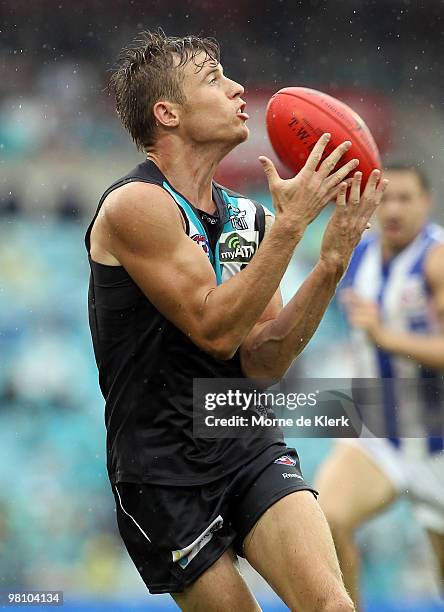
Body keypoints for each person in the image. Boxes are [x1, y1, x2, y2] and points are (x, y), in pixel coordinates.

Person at [85, 30, 385, 611]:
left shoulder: (250, 216)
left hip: (241, 432)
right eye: (214, 79)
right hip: (161, 465)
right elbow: (215, 331)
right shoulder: (135, 206)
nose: (238, 87)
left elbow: (264, 359)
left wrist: (329, 264)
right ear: (166, 113)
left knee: (334, 605)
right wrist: (294, 227)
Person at [316, 162, 444, 609]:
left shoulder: (437, 259)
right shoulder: (359, 256)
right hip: (381, 432)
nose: (393, 209)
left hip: (438, 439)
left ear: (426, 203)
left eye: (405, 198)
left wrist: (387, 337)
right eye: (385, 198)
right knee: (325, 520)